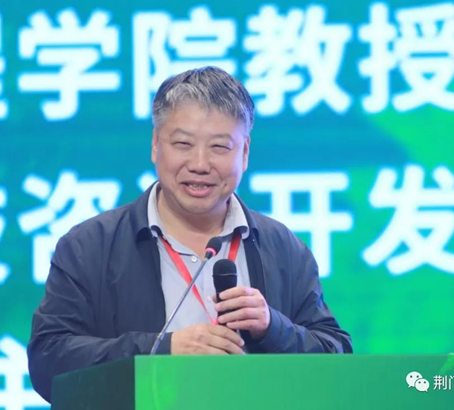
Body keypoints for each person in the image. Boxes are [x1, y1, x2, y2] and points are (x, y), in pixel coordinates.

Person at [28, 66, 353, 402]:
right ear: (156, 145)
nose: (199, 164)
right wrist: (162, 349)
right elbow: (48, 360)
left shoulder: (284, 248)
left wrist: (274, 328)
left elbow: (338, 360)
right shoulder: (89, 246)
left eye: (219, 147)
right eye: (183, 143)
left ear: (244, 153)